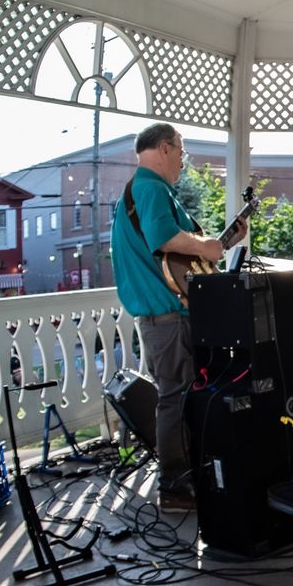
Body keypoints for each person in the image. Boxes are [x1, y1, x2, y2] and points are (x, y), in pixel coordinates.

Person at [110, 123, 235, 511]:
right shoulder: (151, 188)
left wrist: (215, 246)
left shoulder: (142, 190)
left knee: (180, 395)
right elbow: (164, 237)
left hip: (164, 315)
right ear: (164, 148)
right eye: (181, 150)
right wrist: (206, 246)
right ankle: (176, 487)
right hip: (165, 317)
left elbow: (175, 255)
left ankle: (188, 475)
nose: (183, 159)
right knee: (176, 399)